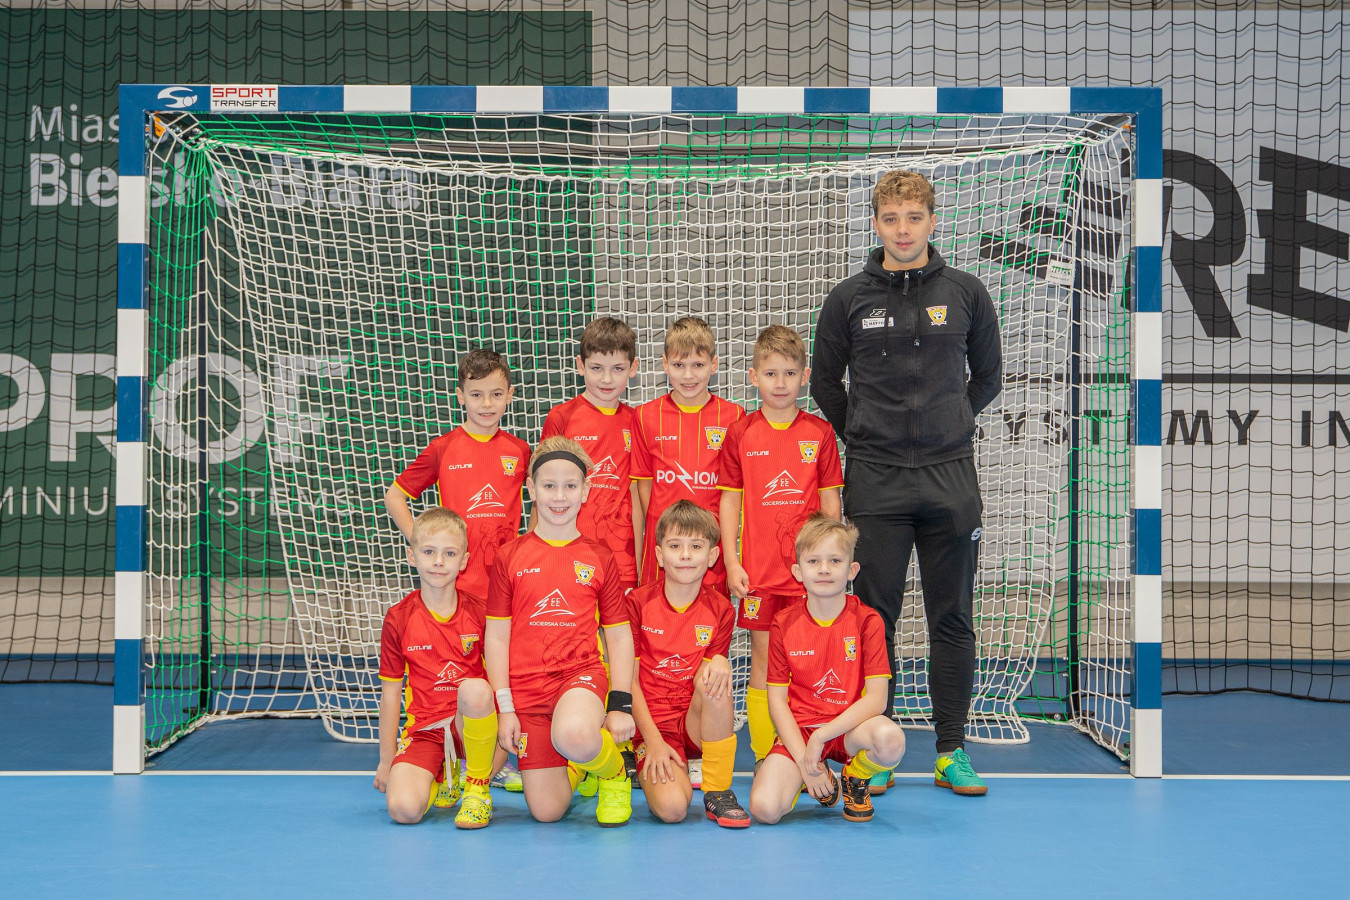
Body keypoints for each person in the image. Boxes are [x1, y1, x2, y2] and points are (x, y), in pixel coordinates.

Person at [810, 168, 1002, 797]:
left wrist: (949, 426)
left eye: (913, 218)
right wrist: (867, 434)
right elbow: (825, 384)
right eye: (891, 219)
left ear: (932, 221)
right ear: (875, 224)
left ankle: (951, 750)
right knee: (875, 619)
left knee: (953, 617)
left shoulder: (967, 292)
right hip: (877, 481)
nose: (902, 230)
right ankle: (878, 748)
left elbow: (988, 378)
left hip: (951, 478)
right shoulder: (847, 299)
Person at [384, 346, 530, 792]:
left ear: (510, 396)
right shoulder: (444, 448)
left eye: (496, 394)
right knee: (467, 683)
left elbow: (544, 503)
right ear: (460, 396)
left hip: (506, 593)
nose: (487, 404)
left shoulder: (520, 451)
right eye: (477, 394)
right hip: (459, 593)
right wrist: (425, 542)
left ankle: (503, 762)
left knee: (508, 677)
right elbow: (395, 495)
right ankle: (458, 763)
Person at [484, 436, 638, 826]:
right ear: (531, 489)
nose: (559, 496)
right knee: (547, 812)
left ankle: (613, 774)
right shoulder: (509, 556)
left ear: (585, 491)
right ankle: (582, 767)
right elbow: (497, 637)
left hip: (579, 676)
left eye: (570, 486)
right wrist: (505, 708)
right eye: (549, 485)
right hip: (527, 690)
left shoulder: (599, 556)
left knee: (574, 735)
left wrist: (620, 705)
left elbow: (619, 636)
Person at [718, 325, 843, 768]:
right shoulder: (741, 432)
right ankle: (764, 756)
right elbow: (729, 500)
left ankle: (810, 748)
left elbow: (831, 503)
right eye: (770, 374)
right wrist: (731, 561)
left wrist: (831, 563)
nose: (780, 383)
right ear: (754, 377)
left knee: (811, 661)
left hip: (809, 576)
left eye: (790, 373)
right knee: (763, 661)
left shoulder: (820, 433)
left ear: (804, 376)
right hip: (760, 574)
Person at [747, 514, 905, 824]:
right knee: (764, 809)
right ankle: (821, 778)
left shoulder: (868, 621)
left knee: (890, 740)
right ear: (798, 571)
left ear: (851, 570)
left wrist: (822, 736)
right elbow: (776, 701)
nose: (823, 569)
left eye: (835, 560)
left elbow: (877, 700)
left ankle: (855, 777)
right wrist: (805, 762)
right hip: (801, 731)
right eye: (813, 561)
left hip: (848, 729)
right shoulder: (783, 623)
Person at [374, 508, 499, 828]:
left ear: (464, 560)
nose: (439, 561)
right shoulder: (399, 618)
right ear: (412, 556)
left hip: (475, 728)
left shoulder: (481, 613)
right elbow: (390, 695)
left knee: (474, 689)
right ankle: (446, 774)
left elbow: (502, 679)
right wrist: (386, 761)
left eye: (449, 553)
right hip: (426, 732)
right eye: (429, 552)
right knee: (403, 810)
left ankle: (477, 791)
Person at [628, 500, 747, 828]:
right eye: (674, 546)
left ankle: (718, 790)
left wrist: (720, 661)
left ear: (712, 556)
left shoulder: (721, 609)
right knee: (672, 810)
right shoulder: (637, 603)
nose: (684, 555)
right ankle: (636, 762)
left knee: (717, 673)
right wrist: (653, 742)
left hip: (694, 723)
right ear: (659, 555)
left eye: (696, 547)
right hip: (654, 727)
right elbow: (628, 681)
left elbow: (708, 680)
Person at [632, 316, 744, 596]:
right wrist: (663, 532)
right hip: (663, 552)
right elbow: (644, 487)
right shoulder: (645, 416)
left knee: (709, 619)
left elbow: (734, 491)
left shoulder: (734, 416)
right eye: (679, 365)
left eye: (698, 365)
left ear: (714, 364)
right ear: (665, 364)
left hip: (710, 552)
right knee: (655, 619)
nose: (688, 376)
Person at [536, 316, 643, 590]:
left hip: (622, 561)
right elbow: (542, 491)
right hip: (567, 553)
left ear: (633, 368)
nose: (607, 379)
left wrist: (641, 565)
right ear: (580, 365)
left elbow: (638, 496)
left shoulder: (638, 421)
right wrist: (535, 553)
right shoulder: (562, 417)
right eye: (596, 368)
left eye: (618, 369)